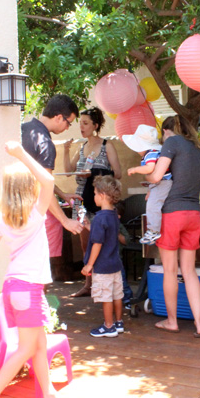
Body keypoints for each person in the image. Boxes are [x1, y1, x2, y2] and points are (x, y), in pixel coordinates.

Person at [0, 142, 78, 398]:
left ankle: (49, 395)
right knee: (27, 347)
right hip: (28, 289)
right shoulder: (35, 215)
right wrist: (20, 155)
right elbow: (49, 179)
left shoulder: (3, 217)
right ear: (28, 187)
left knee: (37, 344)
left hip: (14, 287)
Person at [145, 116, 200, 337]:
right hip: (193, 214)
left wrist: (142, 174)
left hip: (172, 214)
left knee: (170, 271)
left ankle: (172, 321)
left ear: (167, 131)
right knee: (190, 271)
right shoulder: (198, 151)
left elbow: (156, 176)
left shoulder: (172, 143)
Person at [63, 107, 121, 297]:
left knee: (101, 241)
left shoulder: (106, 145)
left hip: (99, 200)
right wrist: (65, 150)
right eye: (80, 123)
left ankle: (103, 284)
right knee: (84, 242)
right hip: (80, 201)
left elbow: (118, 174)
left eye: (86, 123)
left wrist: (94, 173)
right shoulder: (81, 147)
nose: (81, 126)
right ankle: (88, 284)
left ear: (95, 126)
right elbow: (69, 170)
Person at [21, 93, 83, 261]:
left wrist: (62, 194)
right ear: (58, 117)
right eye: (68, 123)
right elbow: (43, 185)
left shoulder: (23, 129)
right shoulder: (45, 143)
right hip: (34, 213)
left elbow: (38, 177)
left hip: (16, 209)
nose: (68, 128)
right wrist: (65, 221)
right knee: (40, 269)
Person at [81, 176, 126, 338]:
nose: (93, 197)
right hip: (115, 264)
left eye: (94, 193)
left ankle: (108, 326)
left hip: (102, 266)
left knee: (106, 297)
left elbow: (97, 243)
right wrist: (88, 227)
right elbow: (105, 235)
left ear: (102, 195)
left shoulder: (100, 217)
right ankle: (118, 322)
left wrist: (89, 265)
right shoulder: (113, 215)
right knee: (117, 295)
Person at [124, 124, 172, 246]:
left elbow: (150, 168)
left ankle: (154, 231)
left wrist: (135, 169)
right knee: (154, 204)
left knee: (152, 206)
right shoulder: (155, 152)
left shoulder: (150, 153)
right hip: (160, 183)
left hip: (163, 183)